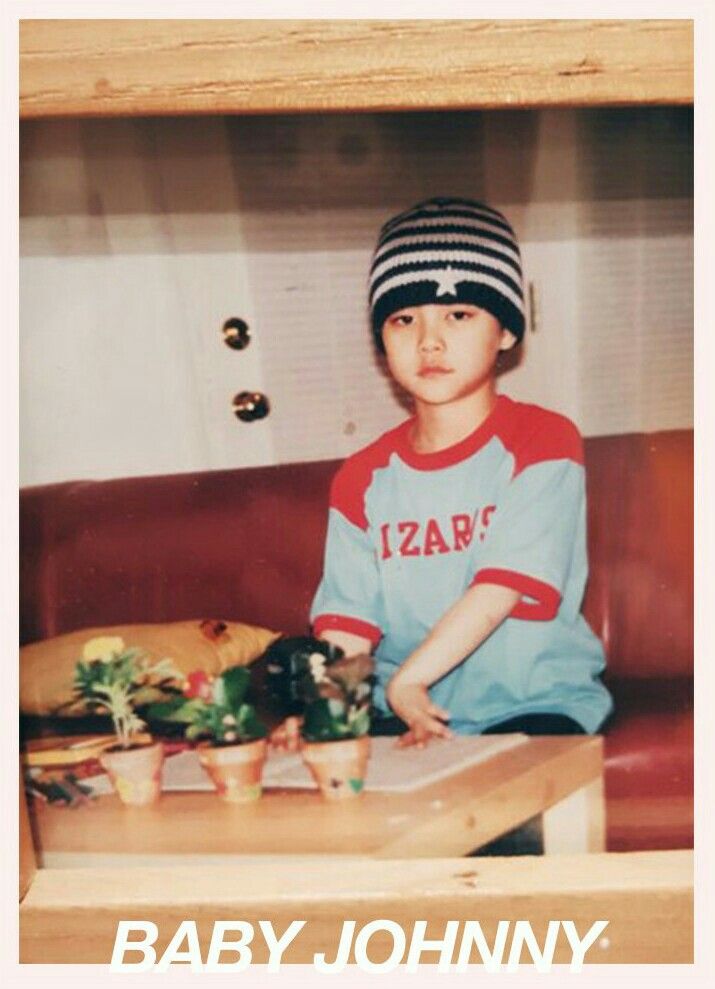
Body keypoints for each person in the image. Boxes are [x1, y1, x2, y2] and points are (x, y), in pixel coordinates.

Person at [274, 196, 612, 750]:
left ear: (505, 331)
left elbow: (500, 588)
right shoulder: (361, 476)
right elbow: (350, 625)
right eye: (404, 319)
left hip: (532, 705)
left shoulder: (542, 440)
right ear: (381, 342)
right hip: (400, 712)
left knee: (505, 818)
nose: (429, 341)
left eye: (459, 314)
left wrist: (411, 678)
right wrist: (325, 710)